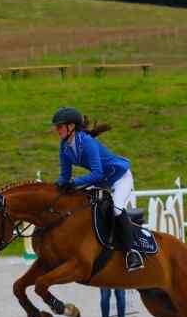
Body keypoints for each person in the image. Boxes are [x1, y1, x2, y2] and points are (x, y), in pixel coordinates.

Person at [51, 107, 142, 271]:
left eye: (59, 127)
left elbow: (97, 173)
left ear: (71, 127)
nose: (57, 130)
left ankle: (132, 252)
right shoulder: (64, 146)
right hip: (103, 180)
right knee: (82, 203)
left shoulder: (86, 142)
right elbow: (64, 175)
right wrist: (55, 188)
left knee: (116, 209)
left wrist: (74, 182)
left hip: (120, 177)